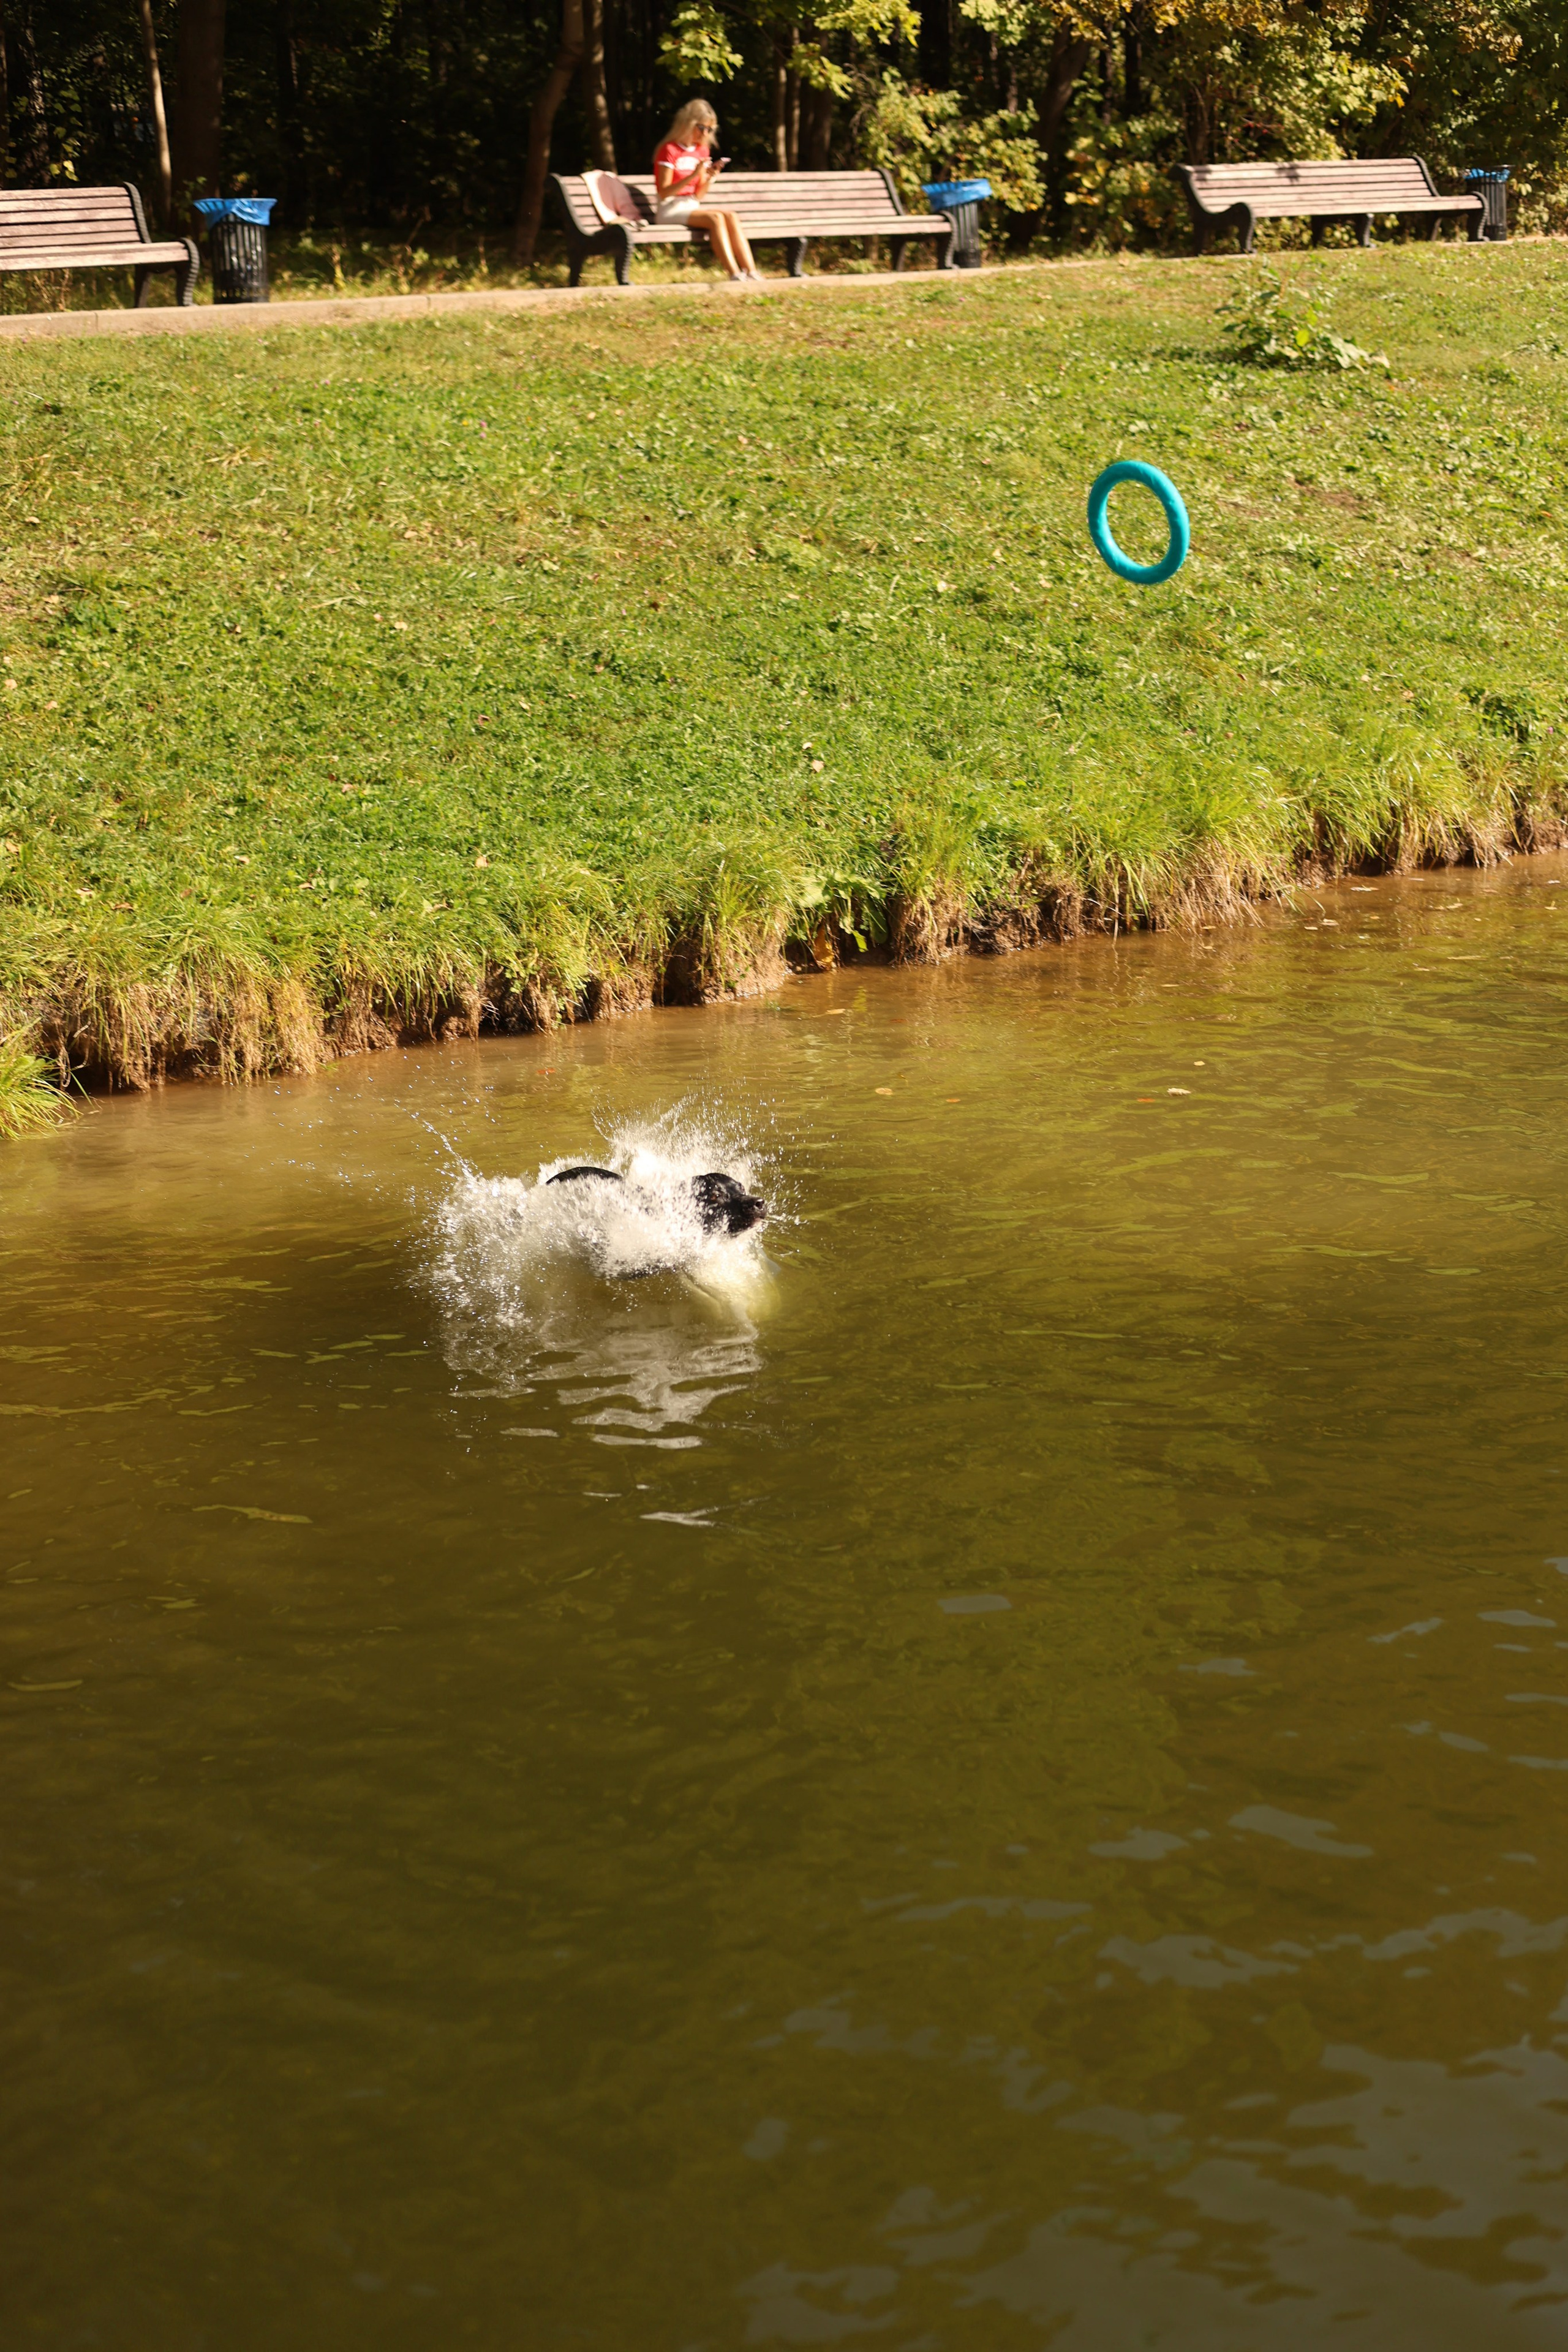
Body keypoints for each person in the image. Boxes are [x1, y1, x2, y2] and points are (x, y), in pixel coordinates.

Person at [653, 100, 759, 282]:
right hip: (670, 208)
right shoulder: (669, 150)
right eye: (701, 127)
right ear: (688, 124)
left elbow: (699, 195)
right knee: (716, 218)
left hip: (691, 205)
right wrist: (693, 174)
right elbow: (663, 193)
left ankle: (751, 272)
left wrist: (710, 177)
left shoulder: (702, 150)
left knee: (731, 216)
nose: (705, 133)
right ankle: (735, 274)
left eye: (709, 129)